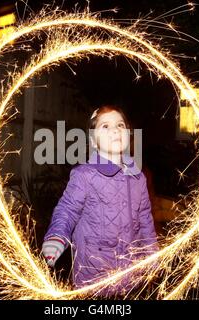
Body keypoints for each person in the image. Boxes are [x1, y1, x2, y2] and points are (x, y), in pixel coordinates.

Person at [41, 105, 159, 298]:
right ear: (93, 141)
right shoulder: (84, 175)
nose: (115, 129)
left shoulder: (138, 177)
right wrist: (56, 236)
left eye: (120, 125)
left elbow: (145, 219)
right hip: (94, 276)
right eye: (105, 126)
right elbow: (67, 210)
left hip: (130, 276)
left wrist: (152, 253)